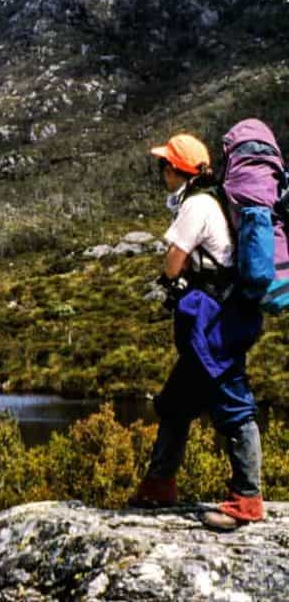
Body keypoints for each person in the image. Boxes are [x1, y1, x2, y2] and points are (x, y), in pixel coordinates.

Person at [128, 133, 264, 531]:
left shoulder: (197, 205)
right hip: (221, 315)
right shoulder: (216, 201)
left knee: (232, 399)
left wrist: (171, 281)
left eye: (164, 166)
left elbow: (174, 262)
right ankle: (159, 484)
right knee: (175, 402)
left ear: (177, 170)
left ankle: (247, 498)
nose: (161, 172)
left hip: (213, 320)